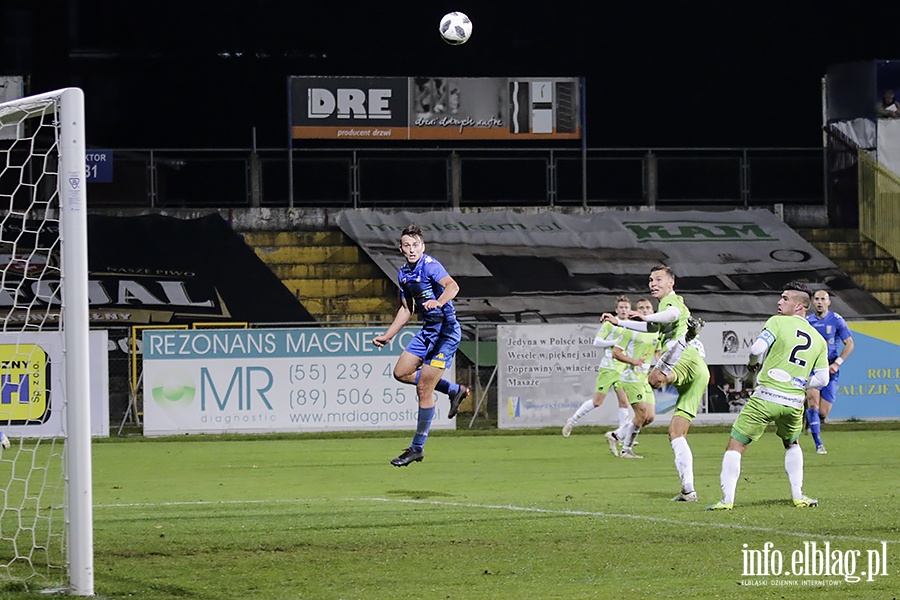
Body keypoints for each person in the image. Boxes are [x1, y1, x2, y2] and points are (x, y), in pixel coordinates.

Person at [708, 282, 829, 511]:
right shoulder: (819, 339)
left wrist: (752, 365)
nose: (779, 301)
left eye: (785, 298)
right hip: (794, 402)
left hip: (766, 397)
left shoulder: (777, 321)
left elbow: (755, 350)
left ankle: (727, 501)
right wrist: (800, 382)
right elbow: (822, 380)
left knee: (736, 445)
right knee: (792, 443)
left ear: (799, 306)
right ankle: (798, 496)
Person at [602, 265, 705, 501]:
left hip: (685, 357)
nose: (652, 283)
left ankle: (684, 340)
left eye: (658, 279)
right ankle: (688, 490)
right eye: (650, 279)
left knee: (654, 379)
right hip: (699, 370)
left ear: (671, 282)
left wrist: (647, 315)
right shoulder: (662, 309)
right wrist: (620, 322)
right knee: (676, 434)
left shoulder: (672, 301)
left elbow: (671, 315)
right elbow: (649, 326)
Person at [373, 224, 469, 467]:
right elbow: (407, 309)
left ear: (422, 246)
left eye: (416, 245)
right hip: (428, 332)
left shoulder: (431, 266)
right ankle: (452, 390)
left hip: (445, 334)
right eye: (407, 245)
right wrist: (388, 335)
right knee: (400, 373)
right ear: (401, 249)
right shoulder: (404, 274)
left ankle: (416, 448)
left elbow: (453, 286)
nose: (412, 249)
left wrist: (439, 301)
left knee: (424, 389)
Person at [561, 296, 633, 439]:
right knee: (597, 402)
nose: (624, 310)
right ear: (616, 310)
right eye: (621, 307)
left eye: (626, 307)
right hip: (609, 367)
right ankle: (573, 420)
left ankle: (621, 435)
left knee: (624, 402)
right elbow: (597, 342)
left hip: (623, 368)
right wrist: (614, 341)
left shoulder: (632, 325)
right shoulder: (609, 325)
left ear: (630, 310)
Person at [604, 297, 660, 458]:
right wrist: (633, 361)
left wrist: (662, 369)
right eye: (640, 308)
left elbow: (658, 353)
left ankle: (616, 436)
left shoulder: (656, 331)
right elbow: (616, 352)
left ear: (653, 312)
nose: (644, 310)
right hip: (630, 377)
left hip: (644, 378)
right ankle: (626, 450)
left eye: (647, 308)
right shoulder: (630, 330)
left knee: (649, 418)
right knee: (641, 414)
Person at [805, 289, 854, 455]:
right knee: (813, 402)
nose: (819, 302)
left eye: (822, 299)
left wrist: (838, 363)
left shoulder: (837, 320)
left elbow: (850, 344)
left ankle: (809, 417)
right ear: (813, 302)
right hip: (812, 368)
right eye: (816, 299)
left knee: (823, 413)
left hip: (831, 368)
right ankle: (819, 444)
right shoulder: (807, 322)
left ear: (828, 302)